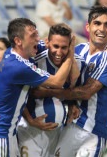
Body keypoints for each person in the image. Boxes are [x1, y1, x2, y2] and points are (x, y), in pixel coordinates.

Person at [32, 5, 107, 156]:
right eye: (97, 23)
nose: (102, 28)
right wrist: (72, 103)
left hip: (93, 130)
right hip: (72, 124)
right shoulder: (79, 50)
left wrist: (45, 92)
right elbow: (70, 83)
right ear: (88, 26)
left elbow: (85, 92)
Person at [0, 17, 74, 156]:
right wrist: (70, 53)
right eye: (33, 36)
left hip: (5, 132)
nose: (37, 39)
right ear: (18, 41)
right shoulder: (19, 67)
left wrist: (30, 120)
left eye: (36, 34)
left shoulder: (15, 53)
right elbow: (57, 82)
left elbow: (18, 98)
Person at [17, 23, 85, 157]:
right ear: (47, 42)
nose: (59, 52)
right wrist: (30, 120)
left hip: (57, 132)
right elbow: (19, 94)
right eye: (56, 46)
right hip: (30, 129)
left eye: (64, 47)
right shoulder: (34, 60)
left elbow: (76, 90)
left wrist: (73, 103)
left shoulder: (78, 63)